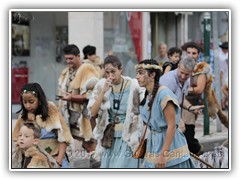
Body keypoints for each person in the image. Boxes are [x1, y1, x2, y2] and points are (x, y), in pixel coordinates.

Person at [135, 59, 195, 168]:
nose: (137, 77)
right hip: (154, 144)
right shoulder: (147, 95)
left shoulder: (164, 94)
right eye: (137, 73)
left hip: (170, 146)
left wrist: (163, 154)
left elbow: (171, 126)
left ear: (152, 75)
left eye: (141, 73)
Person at [87, 55, 145, 168]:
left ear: (121, 69)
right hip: (109, 136)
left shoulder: (133, 85)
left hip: (128, 135)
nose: (110, 76)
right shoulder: (101, 85)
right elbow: (93, 113)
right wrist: (103, 92)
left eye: (113, 71)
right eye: (107, 72)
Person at [12, 83, 73, 168]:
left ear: (39, 99)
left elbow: (63, 139)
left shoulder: (51, 112)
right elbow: (16, 140)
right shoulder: (23, 117)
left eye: (31, 101)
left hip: (54, 160)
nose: (28, 106)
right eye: (24, 102)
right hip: (33, 164)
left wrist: (58, 163)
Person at [160, 57, 204, 132]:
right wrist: (178, 120)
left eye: (186, 74)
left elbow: (180, 99)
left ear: (191, 72)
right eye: (181, 73)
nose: (183, 77)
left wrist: (190, 107)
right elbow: (163, 104)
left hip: (172, 123)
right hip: (161, 122)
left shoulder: (187, 80)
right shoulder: (169, 80)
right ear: (179, 66)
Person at [181, 42, 207, 155]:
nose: (191, 55)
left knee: (188, 134)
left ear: (198, 55)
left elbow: (199, 89)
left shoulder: (200, 70)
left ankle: (198, 150)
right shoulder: (180, 66)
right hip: (178, 101)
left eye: (194, 53)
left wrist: (186, 89)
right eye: (188, 53)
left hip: (191, 104)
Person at [219, 42, 229, 110]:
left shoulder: (228, 54)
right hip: (224, 75)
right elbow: (221, 70)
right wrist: (220, 79)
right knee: (223, 91)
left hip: (227, 75)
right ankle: (223, 105)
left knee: (225, 90)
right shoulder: (220, 55)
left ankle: (224, 104)